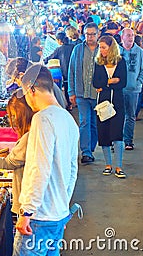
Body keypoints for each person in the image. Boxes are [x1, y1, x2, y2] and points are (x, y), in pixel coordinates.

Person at [15, 64, 79, 256]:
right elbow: (72, 170)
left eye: (26, 94)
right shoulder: (68, 119)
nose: (27, 100)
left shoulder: (42, 119)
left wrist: (27, 211)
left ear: (31, 90)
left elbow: (38, 167)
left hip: (39, 217)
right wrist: (63, 207)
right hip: (58, 215)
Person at [93, 35, 127, 178]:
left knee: (117, 134)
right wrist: (111, 81)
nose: (101, 50)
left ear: (111, 48)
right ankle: (108, 165)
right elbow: (96, 82)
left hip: (118, 102)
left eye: (104, 47)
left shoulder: (121, 62)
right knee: (104, 133)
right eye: (100, 47)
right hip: (103, 103)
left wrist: (104, 84)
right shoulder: (98, 62)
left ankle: (118, 166)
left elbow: (123, 82)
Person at [68, 22, 99, 164]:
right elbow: (72, 71)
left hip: (97, 94)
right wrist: (71, 91)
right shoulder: (78, 50)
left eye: (93, 34)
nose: (90, 37)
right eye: (87, 34)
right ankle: (86, 152)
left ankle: (91, 148)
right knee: (84, 122)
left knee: (95, 123)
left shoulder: (103, 49)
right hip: (81, 94)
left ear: (97, 34)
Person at [120, 28, 143, 150]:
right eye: (128, 35)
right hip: (118, 90)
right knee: (118, 116)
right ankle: (117, 140)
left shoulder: (140, 52)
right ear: (122, 37)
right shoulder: (117, 51)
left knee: (130, 116)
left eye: (132, 35)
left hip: (133, 90)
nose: (130, 37)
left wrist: (138, 83)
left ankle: (128, 141)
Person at [45, 32, 75, 110]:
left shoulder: (59, 49)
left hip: (66, 73)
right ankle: (76, 102)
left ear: (59, 40)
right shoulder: (74, 47)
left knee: (67, 87)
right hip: (75, 71)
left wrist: (43, 61)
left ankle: (70, 105)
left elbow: (51, 57)